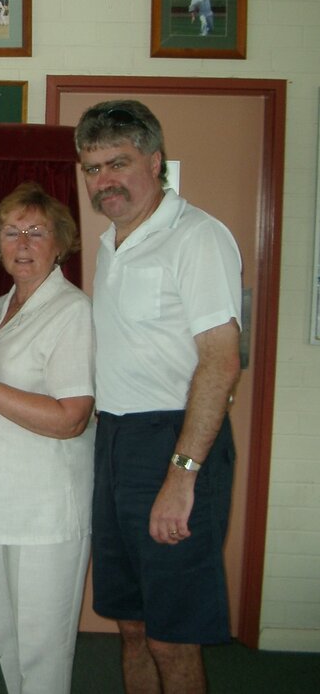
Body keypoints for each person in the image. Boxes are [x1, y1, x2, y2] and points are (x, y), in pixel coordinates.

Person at [75, 100, 242, 694]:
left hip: (175, 444)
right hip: (116, 442)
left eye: (117, 163)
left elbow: (221, 361)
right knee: (131, 623)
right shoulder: (111, 244)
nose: (103, 181)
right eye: (91, 168)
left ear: (155, 160)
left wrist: (183, 474)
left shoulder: (196, 237)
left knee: (173, 634)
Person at [0, 182, 95, 694]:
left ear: (60, 243)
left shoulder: (72, 311)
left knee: (43, 651)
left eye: (36, 232)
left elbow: (71, 418)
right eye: (12, 232)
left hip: (47, 512)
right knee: (8, 642)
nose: (23, 243)